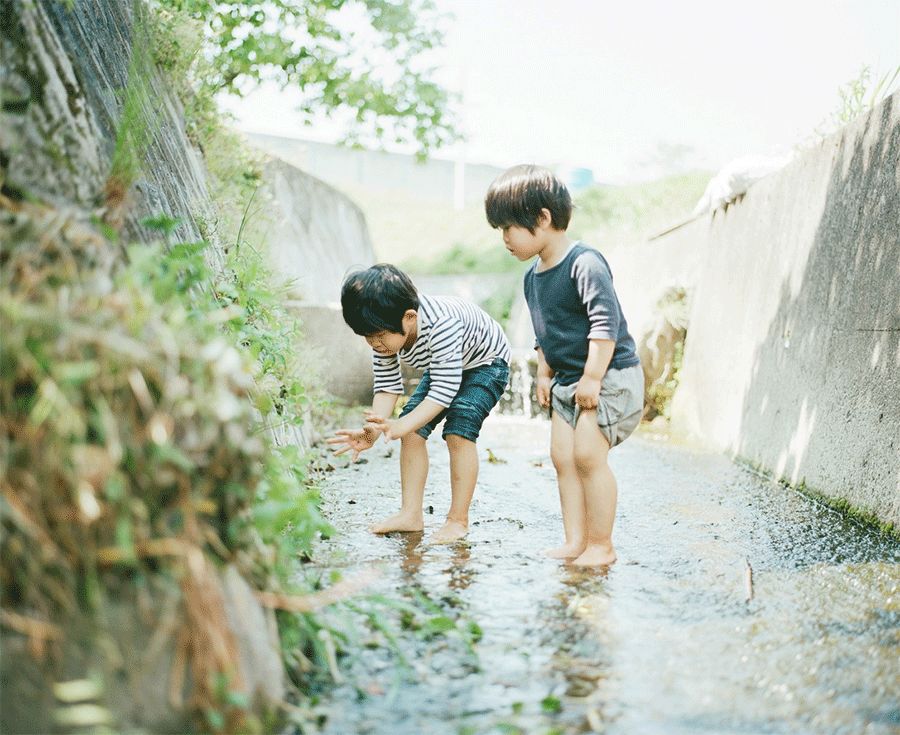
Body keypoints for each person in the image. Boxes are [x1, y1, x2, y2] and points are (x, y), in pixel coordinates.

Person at [484, 165, 643, 566]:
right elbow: (545, 331)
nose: (505, 238)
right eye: (499, 229)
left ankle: (601, 546)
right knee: (563, 458)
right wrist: (543, 372)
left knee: (589, 456)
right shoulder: (532, 277)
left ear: (542, 217)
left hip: (607, 376)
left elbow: (605, 324)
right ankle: (575, 542)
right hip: (567, 381)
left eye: (509, 227)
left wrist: (592, 376)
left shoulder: (584, 263)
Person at [328, 264, 510, 543]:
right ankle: (411, 514)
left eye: (378, 336)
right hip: (446, 367)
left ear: (409, 318)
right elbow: (387, 387)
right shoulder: (386, 335)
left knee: (458, 431)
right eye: (367, 337)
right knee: (412, 431)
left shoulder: (441, 325)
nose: (374, 344)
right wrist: (371, 433)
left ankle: (457, 521)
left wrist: (400, 424)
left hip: (486, 362)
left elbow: (445, 390)